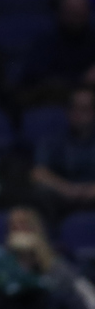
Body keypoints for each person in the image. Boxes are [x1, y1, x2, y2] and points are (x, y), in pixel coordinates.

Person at [32, 87, 95, 218]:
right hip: (64, 195)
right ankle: (52, 234)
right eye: (76, 108)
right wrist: (67, 189)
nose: (81, 114)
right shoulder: (53, 141)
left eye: (86, 108)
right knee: (41, 191)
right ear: (68, 111)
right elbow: (39, 173)